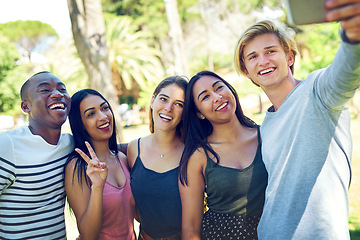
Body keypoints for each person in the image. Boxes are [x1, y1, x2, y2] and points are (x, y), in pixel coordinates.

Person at [233, 1, 360, 238]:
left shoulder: (317, 91)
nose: (263, 61)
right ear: (247, 71)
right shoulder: (266, 124)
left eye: (271, 51)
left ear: (290, 57)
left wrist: (353, 36)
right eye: (253, 57)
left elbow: (346, 73)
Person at [179, 70, 268, 239]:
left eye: (219, 88)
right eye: (205, 97)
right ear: (199, 113)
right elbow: (190, 230)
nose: (217, 97)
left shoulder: (266, 135)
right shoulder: (199, 156)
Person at [0, 71, 74, 239]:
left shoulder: (70, 145)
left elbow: (110, 151)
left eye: (62, 89)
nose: (57, 94)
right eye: (45, 90)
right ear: (26, 107)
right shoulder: (8, 145)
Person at [64, 89, 136, 240]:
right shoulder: (77, 167)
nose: (103, 117)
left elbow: (137, 215)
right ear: (81, 124)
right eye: (91, 114)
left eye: (105, 108)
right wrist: (97, 186)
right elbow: (88, 235)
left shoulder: (122, 158)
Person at [127, 76, 188, 240]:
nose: (168, 108)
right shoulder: (134, 149)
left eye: (179, 104)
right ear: (153, 100)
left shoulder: (191, 153)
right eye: (164, 99)